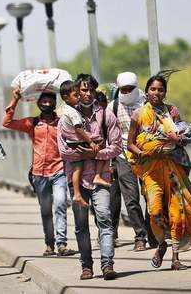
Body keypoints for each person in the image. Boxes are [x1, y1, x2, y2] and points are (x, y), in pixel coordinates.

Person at [127, 74, 191, 270]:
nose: (156, 93)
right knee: (155, 211)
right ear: (146, 91)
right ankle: (161, 244)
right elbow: (130, 144)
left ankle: (175, 258)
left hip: (172, 167)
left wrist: (177, 139)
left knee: (177, 210)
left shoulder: (172, 112)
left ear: (165, 93)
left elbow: (183, 138)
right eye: (153, 89)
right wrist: (144, 152)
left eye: (161, 89)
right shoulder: (138, 115)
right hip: (151, 171)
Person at [58, 73, 123, 280]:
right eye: (82, 90)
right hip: (76, 180)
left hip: (100, 177)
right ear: (77, 92)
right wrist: (85, 151)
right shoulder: (67, 117)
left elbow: (116, 147)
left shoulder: (106, 116)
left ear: (95, 91)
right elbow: (63, 151)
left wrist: (96, 153)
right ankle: (86, 266)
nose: (86, 94)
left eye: (89, 90)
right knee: (81, 226)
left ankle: (107, 264)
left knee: (104, 219)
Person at [2, 87, 77, 257]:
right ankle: (49, 244)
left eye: (50, 101)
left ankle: (62, 244)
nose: (46, 103)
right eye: (43, 101)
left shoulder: (62, 123)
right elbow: (7, 122)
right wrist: (15, 100)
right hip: (39, 173)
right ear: (38, 103)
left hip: (59, 171)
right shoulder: (33, 123)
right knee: (45, 211)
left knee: (60, 204)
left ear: (54, 103)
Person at [107, 72, 149, 251]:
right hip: (124, 157)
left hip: (147, 157)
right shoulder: (113, 106)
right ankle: (140, 235)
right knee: (131, 200)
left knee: (151, 197)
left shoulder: (146, 103)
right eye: (122, 90)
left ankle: (154, 233)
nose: (126, 92)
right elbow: (108, 132)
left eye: (129, 89)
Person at [59, 80, 110, 207]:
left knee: (78, 168)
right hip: (76, 144)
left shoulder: (66, 109)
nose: (81, 97)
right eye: (77, 94)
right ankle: (77, 194)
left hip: (75, 143)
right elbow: (78, 129)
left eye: (90, 91)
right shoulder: (72, 111)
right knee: (80, 167)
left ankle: (91, 181)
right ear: (66, 97)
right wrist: (91, 142)